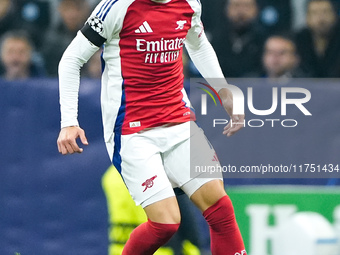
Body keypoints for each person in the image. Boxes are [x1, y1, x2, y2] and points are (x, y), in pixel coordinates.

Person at [57, 0, 246, 254]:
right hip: (132, 130)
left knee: (220, 208)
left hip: (177, 121)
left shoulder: (189, 3)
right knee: (165, 224)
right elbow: (71, 59)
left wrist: (222, 89)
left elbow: (198, 43)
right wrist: (69, 121)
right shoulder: (116, 7)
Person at [211, 0, 267, 77]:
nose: (241, 11)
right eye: (236, 6)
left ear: (257, 9)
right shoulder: (216, 39)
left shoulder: (265, 39)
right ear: (226, 9)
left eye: (247, 6)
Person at [42, 0, 90, 76]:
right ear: (60, 10)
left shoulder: (91, 34)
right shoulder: (51, 37)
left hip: (88, 81)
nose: (72, 14)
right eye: (68, 9)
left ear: (84, 11)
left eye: (77, 9)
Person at [295, 0, 340, 77]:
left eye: (325, 12)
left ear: (335, 15)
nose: (321, 19)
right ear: (307, 17)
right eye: (314, 13)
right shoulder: (299, 40)